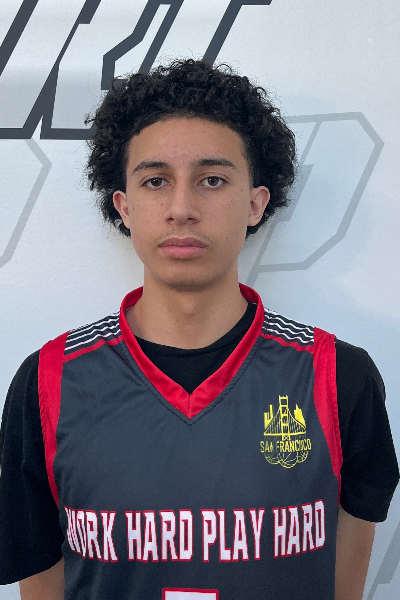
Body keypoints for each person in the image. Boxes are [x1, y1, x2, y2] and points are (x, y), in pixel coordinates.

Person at [0, 58, 398, 600]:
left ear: (255, 203)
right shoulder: (48, 382)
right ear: (124, 206)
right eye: (156, 181)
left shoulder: (339, 377)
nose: (182, 208)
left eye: (212, 180)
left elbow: (342, 588)